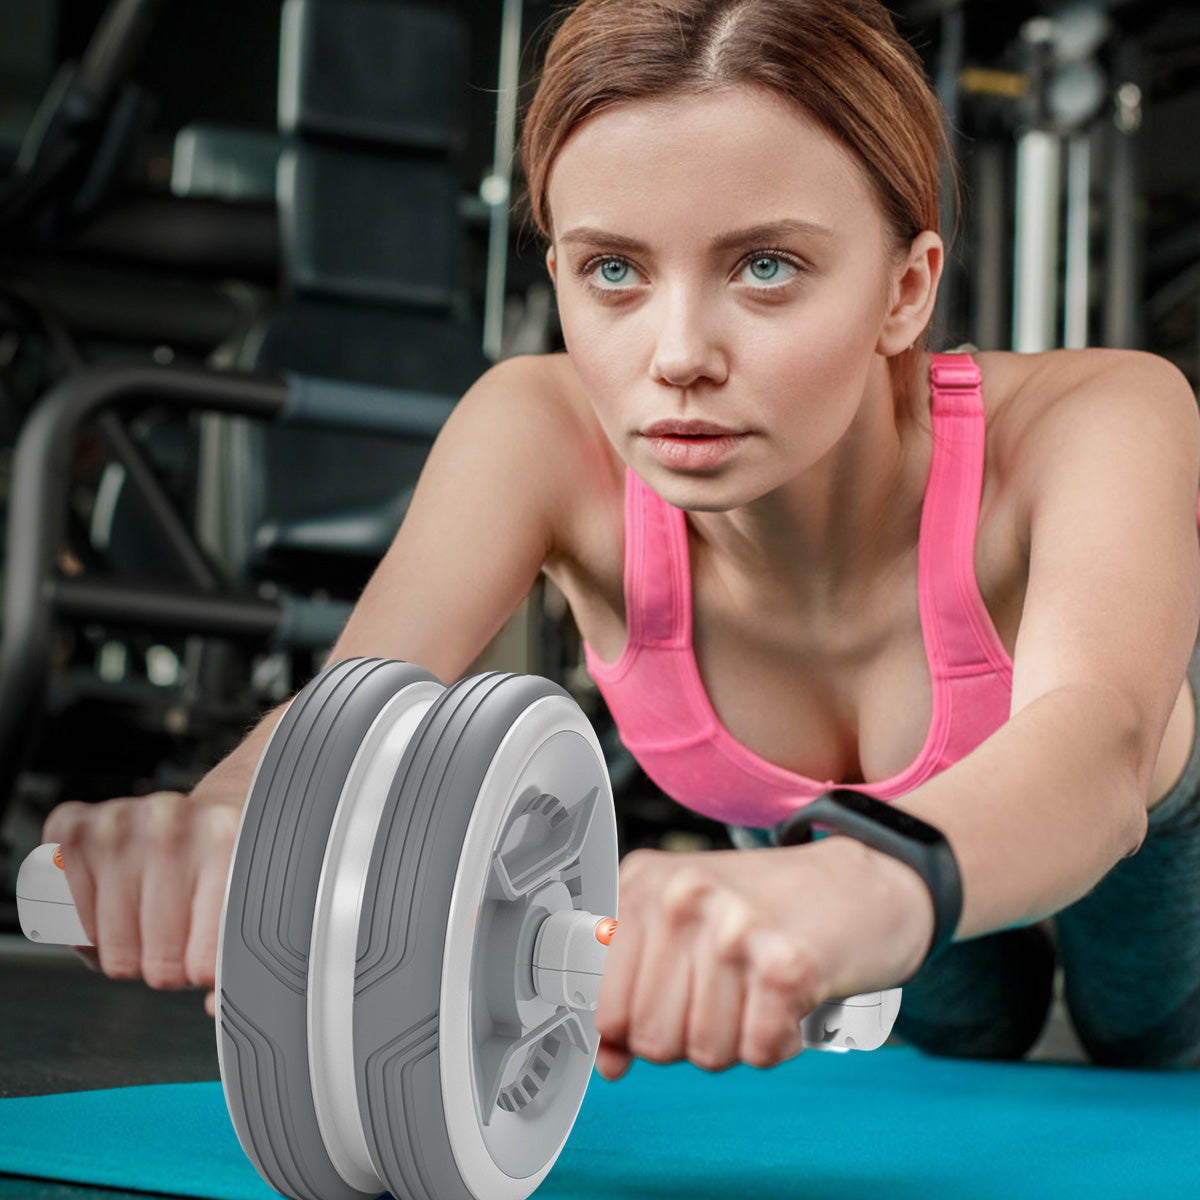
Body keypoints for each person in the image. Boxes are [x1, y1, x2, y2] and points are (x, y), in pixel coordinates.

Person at [44, 0, 1200, 1076]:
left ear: (906, 290)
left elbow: (1098, 751)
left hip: (1113, 847)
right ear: (558, 275)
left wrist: (851, 890)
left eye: (765, 267)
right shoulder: (535, 428)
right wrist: (217, 827)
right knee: (963, 1042)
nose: (679, 354)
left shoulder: (1101, 416)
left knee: (1146, 1036)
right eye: (614, 270)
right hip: (856, 884)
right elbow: (349, 713)